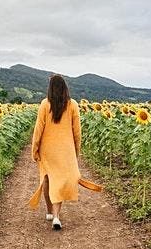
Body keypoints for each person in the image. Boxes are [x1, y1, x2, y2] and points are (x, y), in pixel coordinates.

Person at [29, 74, 101, 230]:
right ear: (65, 88)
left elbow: (38, 130)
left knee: (48, 179)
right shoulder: (73, 104)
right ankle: (55, 216)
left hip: (48, 150)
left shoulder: (44, 104)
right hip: (65, 149)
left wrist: (34, 149)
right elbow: (77, 132)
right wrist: (76, 150)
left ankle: (50, 212)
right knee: (60, 180)